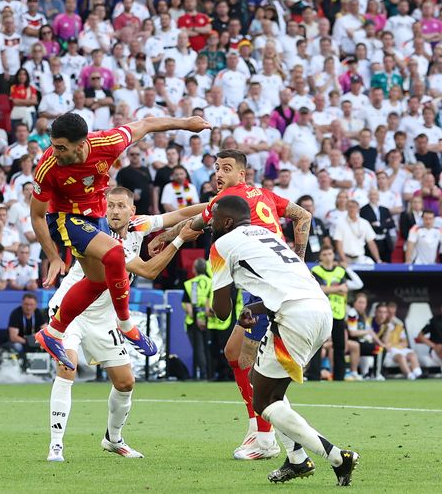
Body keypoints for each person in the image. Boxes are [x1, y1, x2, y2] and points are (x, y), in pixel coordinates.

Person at [149, 149, 312, 460]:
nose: (218, 174)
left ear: (242, 174)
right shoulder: (263, 193)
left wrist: (165, 237)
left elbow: (195, 224)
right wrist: (299, 259)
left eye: (226, 168)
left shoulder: (228, 200)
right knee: (234, 353)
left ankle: (267, 441)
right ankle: (258, 430)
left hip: (267, 287)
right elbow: (302, 216)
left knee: (250, 361)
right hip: (267, 284)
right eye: (215, 169)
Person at [31, 112, 211, 369]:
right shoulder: (48, 166)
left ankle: (53, 332)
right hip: (64, 218)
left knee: (98, 281)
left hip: (93, 220)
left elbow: (147, 124)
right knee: (115, 253)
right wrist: (53, 257)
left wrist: (185, 123)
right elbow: (36, 215)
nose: (54, 152)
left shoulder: (108, 143)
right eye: (53, 145)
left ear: (81, 144)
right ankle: (126, 324)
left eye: (61, 147)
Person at [208, 195, 359, 486]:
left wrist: (225, 299)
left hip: (295, 316)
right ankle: (296, 460)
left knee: (264, 400)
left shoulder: (221, 245)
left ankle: (338, 457)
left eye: (213, 218)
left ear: (226, 221)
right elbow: (284, 284)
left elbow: (221, 313)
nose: (210, 223)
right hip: (319, 310)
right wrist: (253, 308)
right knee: (263, 383)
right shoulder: (266, 234)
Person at [47, 187, 203, 462]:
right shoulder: (97, 236)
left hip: (105, 317)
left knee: (125, 382)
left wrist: (215, 204)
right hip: (72, 312)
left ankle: (113, 439)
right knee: (67, 367)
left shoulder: (139, 225)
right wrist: (179, 239)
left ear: (132, 210)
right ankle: (56, 445)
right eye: (111, 206)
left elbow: (179, 213)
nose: (115, 211)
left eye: (121, 206)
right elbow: (147, 270)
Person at [310, 246, 363, 381]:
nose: (328, 256)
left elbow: (345, 289)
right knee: (317, 344)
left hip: (338, 312)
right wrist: (337, 289)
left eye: (330, 253)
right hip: (321, 311)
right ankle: (314, 376)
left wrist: (330, 289)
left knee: (340, 346)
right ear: (320, 257)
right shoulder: (316, 270)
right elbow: (319, 289)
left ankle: (339, 376)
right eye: (325, 254)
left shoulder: (340, 271)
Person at [379, 304, 422, 380]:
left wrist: (398, 345)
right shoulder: (382, 325)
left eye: (393, 313)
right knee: (401, 357)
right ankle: (410, 375)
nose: (391, 316)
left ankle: (418, 374)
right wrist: (389, 327)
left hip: (398, 348)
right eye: (389, 313)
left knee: (412, 355)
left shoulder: (399, 325)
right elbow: (384, 341)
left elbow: (405, 342)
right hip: (389, 350)